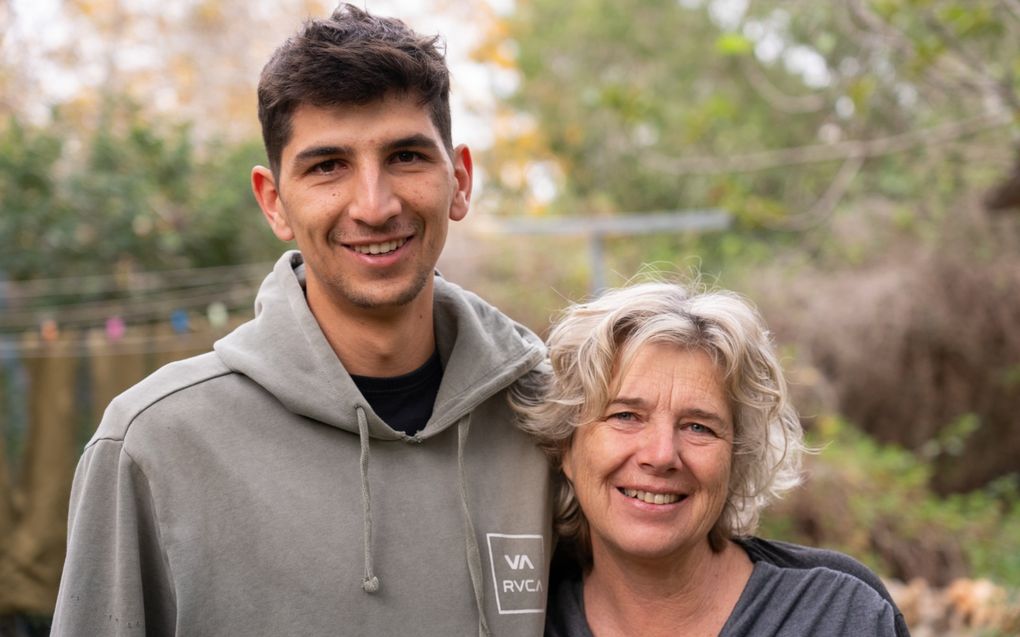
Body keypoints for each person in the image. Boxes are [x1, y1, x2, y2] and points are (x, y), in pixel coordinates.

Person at [51, 5, 552, 635]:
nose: (375, 205)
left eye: (406, 156)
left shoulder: (555, 424)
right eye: (327, 166)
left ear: (460, 181)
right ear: (273, 202)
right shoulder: (151, 445)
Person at [512, 282, 910, 637]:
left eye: (698, 427)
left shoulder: (835, 614)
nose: (662, 455)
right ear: (566, 445)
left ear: (737, 456)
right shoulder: (519, 618)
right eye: (626, 416)